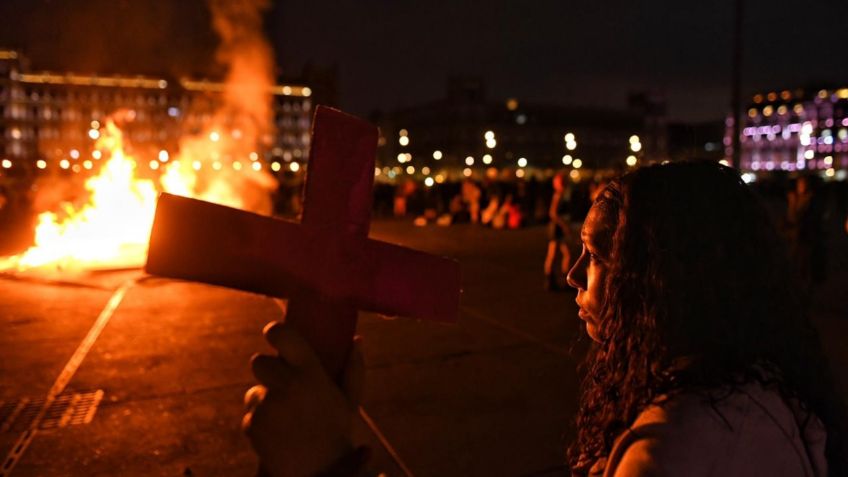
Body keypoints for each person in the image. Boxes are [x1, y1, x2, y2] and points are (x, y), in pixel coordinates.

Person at [243, 162, 848, 476]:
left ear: (659, 277)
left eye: (597, 256)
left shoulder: (675, 450)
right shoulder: (759, 392)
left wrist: (323, 466)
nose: (571, 274)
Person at [544, 172, 573, 290]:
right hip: (556, 228)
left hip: (556, 227)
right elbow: (553, 213)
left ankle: (556, 280)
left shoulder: (560, 194)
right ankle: (552, 281)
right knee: (554, 255)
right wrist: (564, 225)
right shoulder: (559, 194)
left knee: (563, 254)